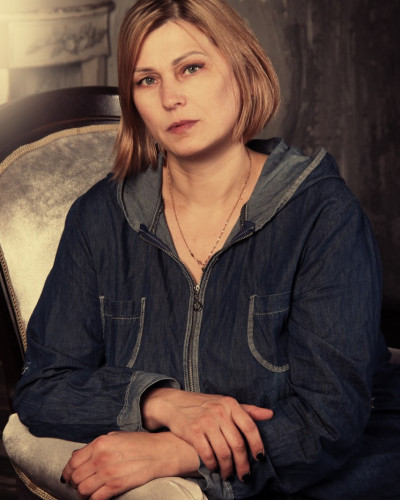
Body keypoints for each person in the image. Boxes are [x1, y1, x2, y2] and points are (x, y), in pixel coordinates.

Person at [10, 0, 400, 499]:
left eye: (190, 68)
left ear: (243, 70)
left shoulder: (321, 212)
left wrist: (177, 453)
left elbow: (330, 418)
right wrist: (158, 401)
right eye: (147, 80)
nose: (171, 97)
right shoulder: (100, 218)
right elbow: (44, 388)